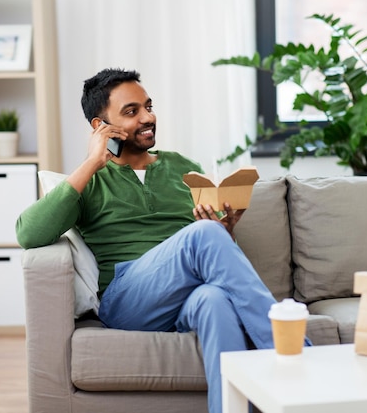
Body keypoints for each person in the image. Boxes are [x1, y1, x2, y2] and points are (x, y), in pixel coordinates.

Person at [16, 68, 308, 413]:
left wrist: (223, 229)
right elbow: (29, 233)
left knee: (214, 301)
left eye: (148, 106)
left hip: (184, 296)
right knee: (203, 235)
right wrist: (92, 163)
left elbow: (203, 248)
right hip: (128, 300)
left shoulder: (181, 167)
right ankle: (301, 358)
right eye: (131, 112)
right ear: (100, 127)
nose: (148, 117)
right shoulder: (90, 181)